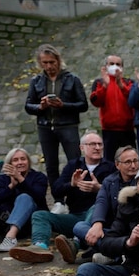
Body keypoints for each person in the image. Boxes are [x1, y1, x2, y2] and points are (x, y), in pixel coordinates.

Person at [9, 132, 115, 263]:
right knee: (39, 215)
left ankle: (75, 245)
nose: (97, 147)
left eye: (100, 144)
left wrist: (98, 188)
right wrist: (71, 184)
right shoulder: (73, 165)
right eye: (92, 144)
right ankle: (39, 247)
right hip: (74, 216)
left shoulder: (110, 167)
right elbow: (56, 189)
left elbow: (116, 195)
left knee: (95, 207)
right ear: (82, 147)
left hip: (97, 220)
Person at [24, 44, 88, 196]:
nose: (49, 66)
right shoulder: (36, 81)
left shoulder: (72, 79)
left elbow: (83, 105)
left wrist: (63, 105)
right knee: (51, 166)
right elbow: (27, 105)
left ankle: (77, 197)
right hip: (45, 126)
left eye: (51, 62)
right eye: (45, 63)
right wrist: (40, 107)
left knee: (75, 162)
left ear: (58, 61)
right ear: (40, 63)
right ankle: (58, 198)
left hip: (68, 125)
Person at [62, 145, 139, 265]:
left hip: (132, 231)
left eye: (135, 161)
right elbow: (101, 202)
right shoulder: (110, 181)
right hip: (111, 231)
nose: (133, 166)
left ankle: (116, 256)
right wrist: (97, 223)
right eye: (128, 162)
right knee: (79, 227)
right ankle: (112, 253)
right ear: (117, 164)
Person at [89, 55, 135, 162]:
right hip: (109, 130)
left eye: (118, 64)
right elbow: (96, 101)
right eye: (112, 64)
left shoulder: (129, 82)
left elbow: (133, 99)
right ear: (106, 66)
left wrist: (120, 85)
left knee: (129, 159)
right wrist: (105, 86)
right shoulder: (99, 83)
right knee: (109, 161)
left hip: (127, 129)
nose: (115, 66)